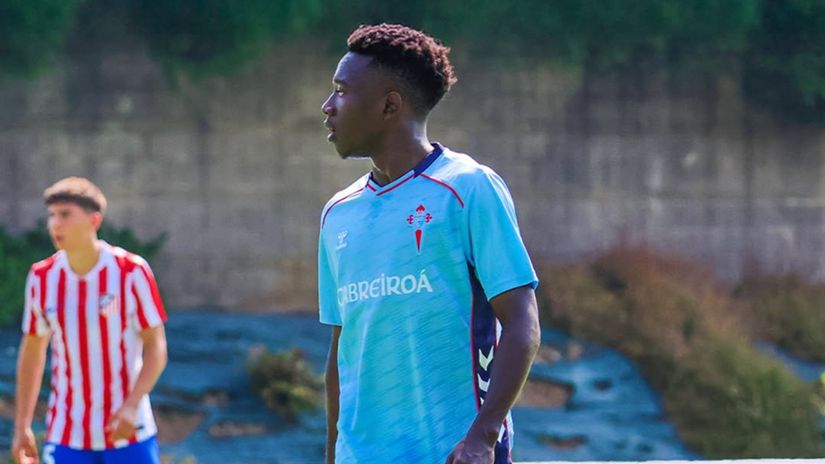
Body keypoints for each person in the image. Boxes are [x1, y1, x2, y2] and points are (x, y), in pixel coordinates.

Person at [318, 23, 541, 464]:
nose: (328, 106)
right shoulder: (337, 213)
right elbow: (341, 354)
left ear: (389, 105)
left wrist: (482, 438)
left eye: (341, 91)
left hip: (452, 454)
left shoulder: (468, 188)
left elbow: (522, 325)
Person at [12, 177, 168, 464]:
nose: (55, 224)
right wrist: (22, 425)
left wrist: (132, 405)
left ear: (94, 220)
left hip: (127, 430)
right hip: (66, 433)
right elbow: (33, 351)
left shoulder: (131, 271)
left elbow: (156, 347)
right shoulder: (41, 277)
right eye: (51, 216)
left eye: (65, 215)